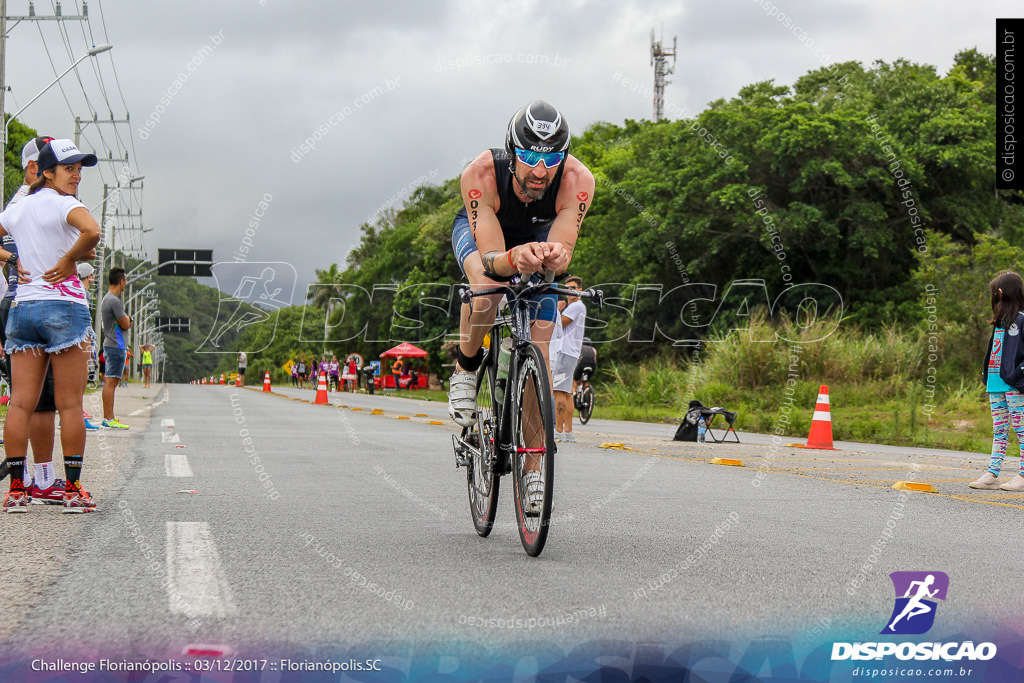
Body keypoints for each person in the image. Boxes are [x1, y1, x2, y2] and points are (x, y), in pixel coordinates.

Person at [445, 100, 594, 512]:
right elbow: (494, 259)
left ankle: (532, 471)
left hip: (539, 235)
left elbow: (563, 247)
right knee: (489, 288)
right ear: (512, 153)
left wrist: (557, 257)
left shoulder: (578, 180)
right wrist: (516, 258)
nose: (540, 171)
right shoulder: (481, 174)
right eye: (529, 157)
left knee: (540, 358)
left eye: (551, 159)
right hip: (485, 232)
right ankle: (466, 365)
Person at [1, 139, 101, 512]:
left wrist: (12, 259)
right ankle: (73, 490)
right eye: (69, 168)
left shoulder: (18, 209)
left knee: (20, 403)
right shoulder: (65, 204)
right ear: (46, 172)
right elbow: (92, 231)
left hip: (24, 308)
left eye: (79, 168)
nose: (76, 175)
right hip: (64, 307)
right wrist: (69, 260)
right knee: (70, 404)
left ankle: (16, 491)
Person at [970, 271, 1024, 491]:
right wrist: (987, 376)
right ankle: (992, 473)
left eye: (994, 293)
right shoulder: (1000, 323)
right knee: (1000, 430)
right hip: (995, 384)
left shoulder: (1021, 320)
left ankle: (1022, 475)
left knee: (1022, 430)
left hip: (1014, 385)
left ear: (1000, 293)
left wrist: (1017, 374)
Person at [553, 276, 586, 442]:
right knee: (566, 392)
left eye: (572, 288)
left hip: (566, 352)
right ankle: (568, 432)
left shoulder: (575, 307)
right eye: (566, 288)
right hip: (570, 352)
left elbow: (560, 324)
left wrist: (557, 309)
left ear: (580, 290)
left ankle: (558, 430)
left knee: (559, 391)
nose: (569, 291)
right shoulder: (577, 307)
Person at [100, 266, 132, 430]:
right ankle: (108, 418)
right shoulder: (114, 300)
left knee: (111, 380)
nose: (126, 283)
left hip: (112, 344)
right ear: (121, 281)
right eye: (125, 280)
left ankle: (109, 417)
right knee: (111, 381)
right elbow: (125, 323)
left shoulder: (108, 299)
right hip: (116, 345)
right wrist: (129, 319)